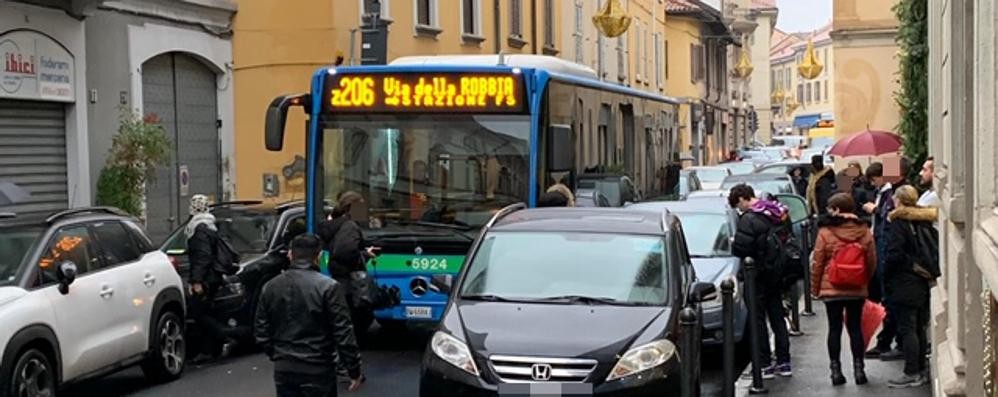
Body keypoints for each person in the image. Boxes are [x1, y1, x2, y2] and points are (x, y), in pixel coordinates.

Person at [255, 234, 365, 396]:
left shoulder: (270, 286)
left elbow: (261, 330)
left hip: (284, 366)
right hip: (318, 366)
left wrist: (277, 354)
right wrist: (353, 370)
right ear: (319, 257)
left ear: (290, 255)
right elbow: (343, 332)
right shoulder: (329, 287)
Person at [810, 193, 877, 386]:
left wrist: (815, 289)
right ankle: (859, 370)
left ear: (837, 209)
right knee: (855, 328)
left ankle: (836, 371)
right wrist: (864, 280)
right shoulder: (864, 230)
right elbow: (872, 261)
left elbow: (818, 262)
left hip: (832, 288)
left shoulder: (825, 231)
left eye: (831, 208)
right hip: (856, 287)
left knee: (834, 328)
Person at [729, 184, 793, 379]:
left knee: (757, 320)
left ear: (742, 199)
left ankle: (764, 364)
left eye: (738, 205)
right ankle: (784, 361)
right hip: (777, 273)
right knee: (777, 316)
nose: (739, 210)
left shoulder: (749, 219)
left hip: (756, 275)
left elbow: (741, 249)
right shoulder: (776, 211)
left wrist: (734, 242)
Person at [884, 185, 937, 388]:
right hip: (923, 279)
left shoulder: (899, 223)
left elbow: (894, 254)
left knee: (908, 328)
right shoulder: (923, 220)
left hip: (905, 280)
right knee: (919, 327)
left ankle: (911, 371)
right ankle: (921, 369)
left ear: (899, 200)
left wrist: (887, 276)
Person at [318, 191, 380, 339]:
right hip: (349, 283)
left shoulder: (335, 224)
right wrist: (365, 254)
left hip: (339, 279)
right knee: (353, 321)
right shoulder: (350, 226)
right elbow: (344, 251)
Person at [862, 161, 907, 360]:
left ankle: (890, 342)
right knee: (886, 298)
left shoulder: (892, 194)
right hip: (881, 248)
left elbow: (888, 220)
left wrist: (874, 210)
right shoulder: (885, 193)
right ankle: (886, 341)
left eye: (874, 179)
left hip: (886, 251)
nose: (874, 184)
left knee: (890, 300)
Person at [185, 194, 235, 363]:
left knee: (197, 312)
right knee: (207, 311)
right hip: (213, 276)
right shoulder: (209, 225)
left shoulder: (198, 229)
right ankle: (210, 350)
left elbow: (202, 257)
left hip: (207, 278)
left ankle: (224, 338)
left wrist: (196, 280)